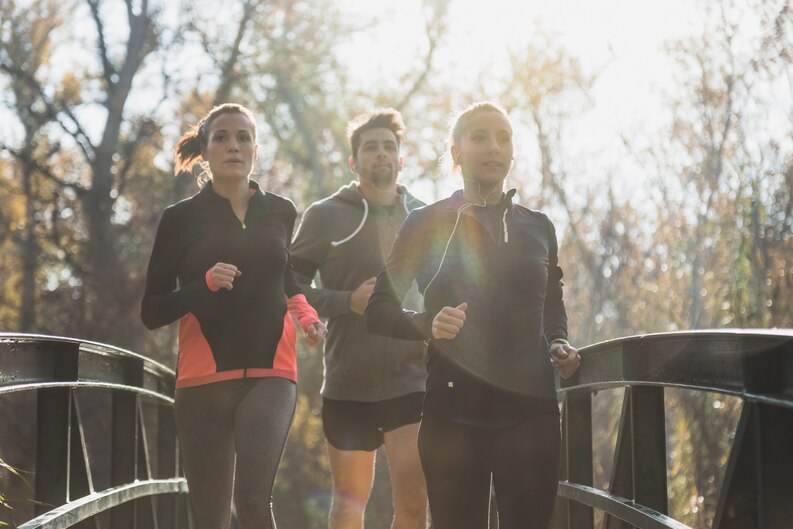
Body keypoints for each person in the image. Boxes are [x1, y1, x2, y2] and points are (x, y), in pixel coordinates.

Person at [364, 101, 581, 529]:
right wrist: (427, 324)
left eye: (503, 138)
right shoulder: (425, 223)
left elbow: (551, 298)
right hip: (452, 413)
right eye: (479, 137)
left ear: (513, 153)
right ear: (456, 150)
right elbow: (378, 310)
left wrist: (557, 339)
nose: (493, 147)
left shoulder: (538, 226)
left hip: (530, 409)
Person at [141, 103, 327, 529]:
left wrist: (306, 316)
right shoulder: (180, 219)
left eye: (243, 137)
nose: (233, 146)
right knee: (210, 518)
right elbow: (152, 311)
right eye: (221, 137)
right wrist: (202, 285)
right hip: (202, 380)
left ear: (256, 151)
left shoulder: (281, 211)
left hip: (272, 372)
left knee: (253, 500)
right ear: (205, 151)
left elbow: (288, 279)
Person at [290, 109, 428, 529]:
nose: (381, 154)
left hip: (413, 379)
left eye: (390, 146)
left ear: (401, 159)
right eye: (371, 147)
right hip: (349, 383)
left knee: (414, 507)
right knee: (348, 508)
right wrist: (344, 300)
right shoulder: (326, 214)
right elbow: (289, 281)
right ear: (354, 161)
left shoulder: (424, 216)